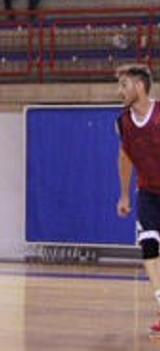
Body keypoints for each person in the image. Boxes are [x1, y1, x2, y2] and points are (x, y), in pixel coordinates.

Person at [115, 64, 160, 337]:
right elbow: (125, 157)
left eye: (124, 85)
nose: (119, 91)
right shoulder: (123, 122)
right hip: (148, 192)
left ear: (140, 87)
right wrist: (123, 193)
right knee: (149, 245)